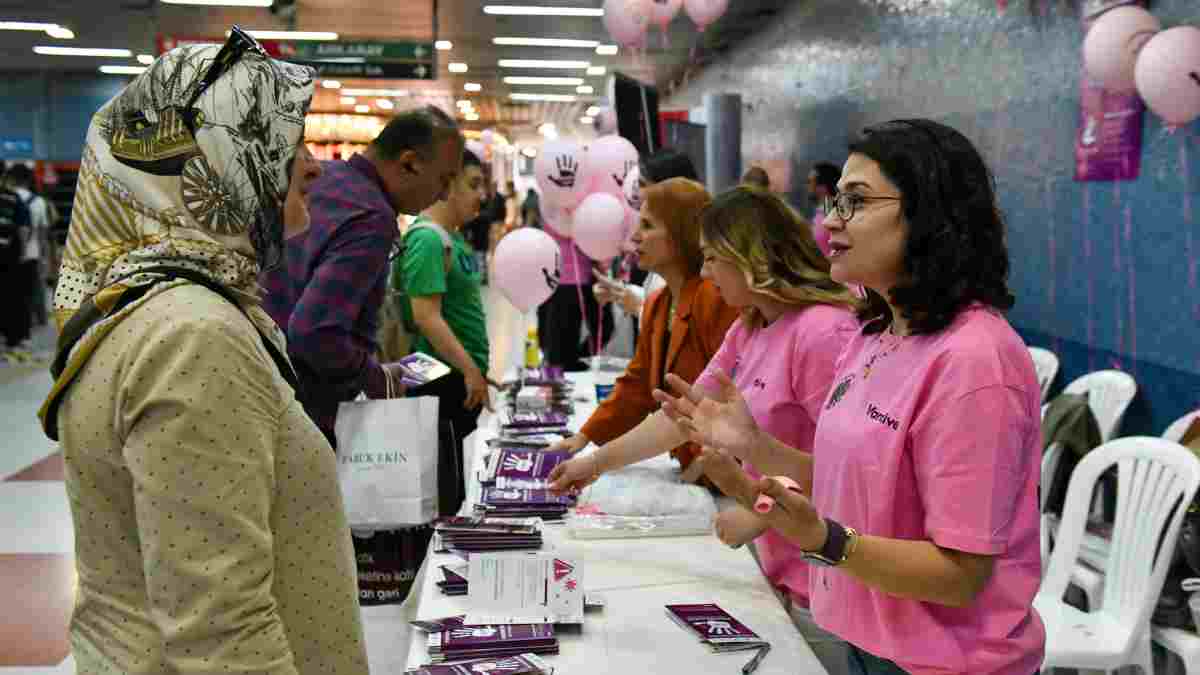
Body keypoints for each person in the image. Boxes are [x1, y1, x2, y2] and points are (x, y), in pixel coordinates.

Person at [661, 119, 1045, 675]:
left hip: (950, 663)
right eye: (834, 201)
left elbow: (961, 574)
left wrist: (827, 541)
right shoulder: (874, 333)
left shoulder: (974, 361)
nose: (830, 220)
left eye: (855, 203)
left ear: (930, 217)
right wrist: (755, 448)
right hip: (868, 643)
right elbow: (853, 484)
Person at [38, 36, 369, 674]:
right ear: (216, 159)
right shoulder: (192, 335)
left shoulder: (150, 309)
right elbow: (220, 632)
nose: (313, 166)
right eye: (283, 138)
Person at [550, 186, 859, 673]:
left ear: (750, 258)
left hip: (828, 579)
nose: (708, 272)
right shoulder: (752, 326)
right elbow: (680, 418)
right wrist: (594, 462)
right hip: (784, 563)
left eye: (714, 259)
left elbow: (851, 476)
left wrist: (759, 515)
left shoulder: (823, 332)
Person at [260, 105, 463, 448]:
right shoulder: (372, 218)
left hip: (265, 388)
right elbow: (314, 330)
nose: (443, 195)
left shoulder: (324, 179)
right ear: (409, 162)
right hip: (309, 411)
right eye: (444, 179)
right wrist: (375, 376)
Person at [543, 177, 739, 476]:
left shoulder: (715, 298)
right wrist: (584, 437)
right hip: (695, 469)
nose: (635, 237)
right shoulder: (660, 302)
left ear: (680, 234)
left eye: (647, 226)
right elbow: (637, 384)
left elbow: (734, 400)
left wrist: (702, 469)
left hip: (728, 477)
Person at [396, 148, 491, 517]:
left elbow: (460, 315)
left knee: (454, 482)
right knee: (443, 491)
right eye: (473, 184)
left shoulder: (453, 239)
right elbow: (426, 317)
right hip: (438, 380)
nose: (481, 195)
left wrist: (477, 369)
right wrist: (469, 370)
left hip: (458, 379)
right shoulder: (428, 239)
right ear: (447, 183)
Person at [595, 148, 700, 323]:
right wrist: (625, 294)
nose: (635, 238)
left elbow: (684, 329)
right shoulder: (665, 266)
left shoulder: (696, 265)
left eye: (642, 184)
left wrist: (639, 307)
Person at [7, 164, 51, 330]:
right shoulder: (39, 202)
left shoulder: (6, 198)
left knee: (9, 293)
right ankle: (29, 325)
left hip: (8, 253)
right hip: (32, 254)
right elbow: (42, 234)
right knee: (27, 293)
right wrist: (44, 258)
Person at [0, 172, 31, 358]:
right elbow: (24, 229)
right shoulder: (13, 198)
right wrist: (24, 252)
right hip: (9, 257)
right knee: (11, 298)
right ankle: (13, 340)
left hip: (8, 257)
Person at [808, 161, 841, 257]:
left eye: (810, 182)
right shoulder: (823, 212)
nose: (808, 186)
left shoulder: (832, 213)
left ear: (822, 187)